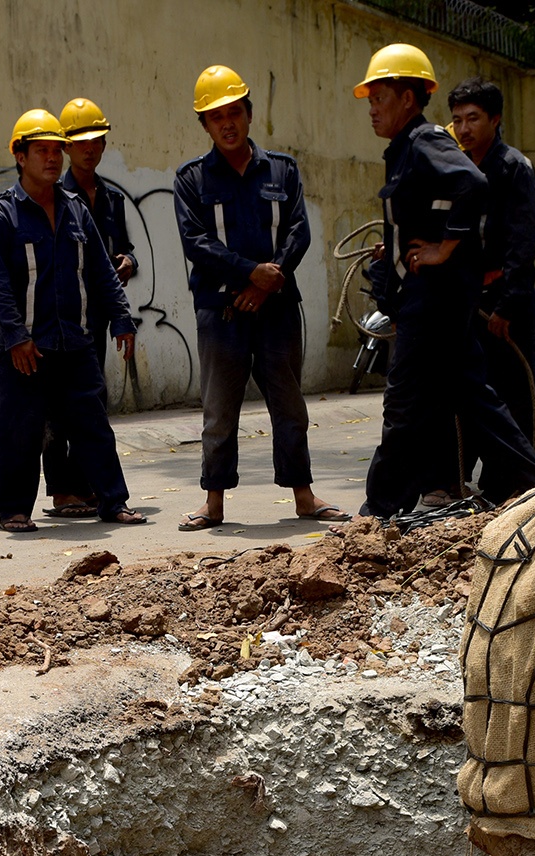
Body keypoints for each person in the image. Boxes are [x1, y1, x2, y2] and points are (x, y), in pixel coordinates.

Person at [354, 43, 535, 518]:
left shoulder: (425, 142)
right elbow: (432, 211)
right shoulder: (405, 150)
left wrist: (445, 248)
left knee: (403, 405)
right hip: (437, 299)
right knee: (474, 399)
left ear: (407, 98)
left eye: (380, 97)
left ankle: (379, 510)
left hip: (435, 301)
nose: (373, 108)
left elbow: (472, 186)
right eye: (370, 99)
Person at [172, 65, 347, 532]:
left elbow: (298, 231)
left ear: (249, 115)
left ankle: (304, 497)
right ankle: (214, 502)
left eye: (234, 112)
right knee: (219, 409)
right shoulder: (191, 180)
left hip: (277, 311)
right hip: (222, 312)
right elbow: (196, 243)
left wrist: (269, 281)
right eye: (215, 117)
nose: (227, 123)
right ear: (205, 126)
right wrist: (250, 274)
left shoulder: (282, 170)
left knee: (289, 405)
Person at [0, 109, 146, 533]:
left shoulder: (75, 211)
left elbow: (101, 272)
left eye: (57, 150)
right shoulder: (1, 215)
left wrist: (123, 319)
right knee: (20, 431)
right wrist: (15, 337)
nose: (52, 159)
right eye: (41, 151)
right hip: (26, 348)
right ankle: (13, 510)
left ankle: (113, 501)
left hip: (75, 341)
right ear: (20, 156)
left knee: (92, 425)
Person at [46, 97, 140, 517]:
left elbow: (124, 251)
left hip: (97, 315)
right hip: (61, 314)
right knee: (56, 406)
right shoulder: (53, 195)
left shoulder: (112, 199)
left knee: (89, 401)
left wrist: (128, 262)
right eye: (81, 141)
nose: (91, 148)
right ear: (67, 146)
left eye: (97, 140)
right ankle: (62, 488)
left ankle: (84, 485)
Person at [447, 76, 535, 458]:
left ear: (495, 119)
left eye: (472, 118)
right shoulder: (458, 170)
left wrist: (507, 306)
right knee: (472, 394)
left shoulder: (513, 168)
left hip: (508, 302)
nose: (464, 128)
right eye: (457, 120)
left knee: (520, 397)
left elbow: (526, 241)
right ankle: (478, 483)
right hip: (470, 302)